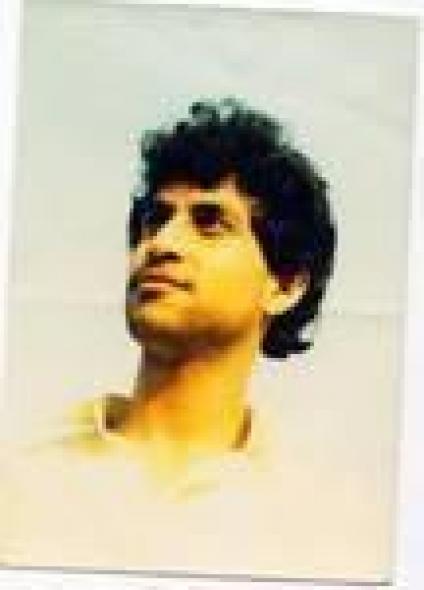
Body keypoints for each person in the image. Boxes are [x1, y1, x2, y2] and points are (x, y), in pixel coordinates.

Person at [1, 98, 344, 571]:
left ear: (284, 286)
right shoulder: (22, 482)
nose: (161, 243)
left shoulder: (323, 526)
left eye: (209, 223)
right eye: (155, 220)